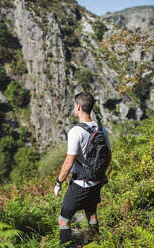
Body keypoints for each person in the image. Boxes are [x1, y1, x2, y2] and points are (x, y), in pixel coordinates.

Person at [54, 92, 111, 246]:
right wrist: (98, 174)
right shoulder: (102, 130)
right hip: (97, 180)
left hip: (81, 183)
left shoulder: (76, 132)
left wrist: (58, 183)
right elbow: (109, 156)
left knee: (63, 220)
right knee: (91, 214)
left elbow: (68, 162)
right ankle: (94, 242)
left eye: (74, 106)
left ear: (78, 107)